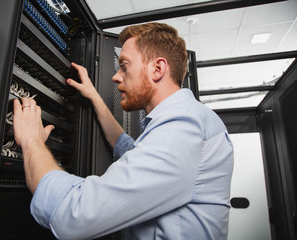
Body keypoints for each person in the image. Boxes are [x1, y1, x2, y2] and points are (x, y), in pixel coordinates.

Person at [13, 22, 234, 239]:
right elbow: (126, 147)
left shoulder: (187, 126)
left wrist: (32, 140)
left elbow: (73, 214)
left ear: (157, 69)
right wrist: (94, 97)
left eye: (124, 65)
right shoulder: (189, 121)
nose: (116, 76)